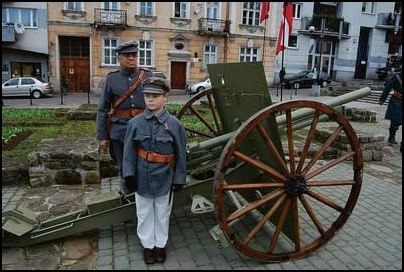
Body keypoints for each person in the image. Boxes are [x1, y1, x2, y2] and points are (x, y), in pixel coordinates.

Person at [122, 77, 187, 265]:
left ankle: (160, 245)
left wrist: (179, 178)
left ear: (165, 97)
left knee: (162, 213)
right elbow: (128, 153)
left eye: (156, 96)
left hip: (164, 178)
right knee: (143, 213)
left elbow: (181, 154)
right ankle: (148, 246)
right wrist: (129, 175)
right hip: (142, 177)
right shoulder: (135, 123)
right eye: (147, 95)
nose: (150, 99)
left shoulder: (174, 125)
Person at [96, 41, 153, 194]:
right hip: (120, 132)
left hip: (144, 129)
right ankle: (127, 199)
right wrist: (102, 137)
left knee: (144, 164)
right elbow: (103, 109)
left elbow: (157, 105)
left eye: (134, 55)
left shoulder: (148, 76)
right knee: (123, 168)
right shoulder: (112, 79)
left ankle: (143, 197)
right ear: (119, 58)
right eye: (127, 55)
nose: (131, 58)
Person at [379, 71, 402, 145]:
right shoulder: (397, 76)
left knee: (398, 121)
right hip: (396, 100)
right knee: (395, 120)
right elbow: (388, 87)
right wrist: (382, 99)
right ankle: (391, 137)